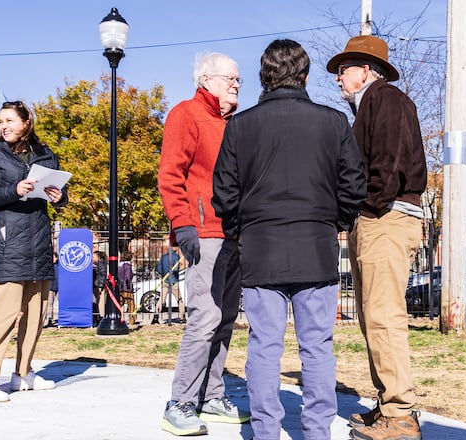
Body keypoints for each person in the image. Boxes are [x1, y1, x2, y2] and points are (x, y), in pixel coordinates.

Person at [213, 39, 366, 440]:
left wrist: (243, 230)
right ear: (306, 76)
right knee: (317, 347)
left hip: (260, 250)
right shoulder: (333, 122)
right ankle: (316, 431)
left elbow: (224, 194)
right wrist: (334, 221)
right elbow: (355, 185)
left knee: (264, 347)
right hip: (315, 248)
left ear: (264, 76)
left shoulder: (240, 126)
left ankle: (266, 431)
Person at [327, 35, 427, 440]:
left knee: (383, 316)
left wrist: (365, 207)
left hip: (386, 217)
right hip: (378, 216)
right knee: (373, 316)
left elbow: (389, 162)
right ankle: (389, 405)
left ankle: (400, 415)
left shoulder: (385, 99)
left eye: (343, 70)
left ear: (365, 70)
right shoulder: (373, 103)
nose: (338, 78)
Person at [157, 51, 247, 436]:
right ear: (206, 80)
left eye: (238, 79)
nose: (236, 84)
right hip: (203, 234)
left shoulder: (233, 124)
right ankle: (180, 402)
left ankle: (211, 396)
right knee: (205, 319)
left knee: (225, 319)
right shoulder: (186, 114)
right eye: (230, 78)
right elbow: (170, 175)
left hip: (233, 235)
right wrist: (183, 224)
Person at [0, 100, 68, 402]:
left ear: (26, 122)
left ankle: (23, 374)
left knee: (36, 312)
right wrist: (14, 189)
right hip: (9, 241)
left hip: (39, 241)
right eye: (1, 121)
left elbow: (61, 194)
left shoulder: (45, 154)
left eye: (9, 120)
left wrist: (59, 197)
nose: (3, 126)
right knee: (0, 313)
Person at [156, 247, 183, 322]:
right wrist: (179, 267)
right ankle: (182, 317)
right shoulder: (176, 257)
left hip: (165, 280)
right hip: (174, 281)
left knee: (161, 299)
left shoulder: (163, 257)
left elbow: (158, 268)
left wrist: (164, 274)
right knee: (179, 300)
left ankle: (156, 316)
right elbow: (176, 269)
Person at [117, 251, 135, 324]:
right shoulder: (128, 266)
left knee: (119, 304)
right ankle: (132, 320)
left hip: (119, 287)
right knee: (131, 305)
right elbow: (128, 277)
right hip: (127, 288)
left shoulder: (119, 266)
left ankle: (118, 318)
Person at [92, 250, 107, 325]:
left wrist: (100, 286)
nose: (92, 258)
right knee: (96, 302)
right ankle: (97, 318)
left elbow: (102, 275)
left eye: (93, 257)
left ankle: (100, 318)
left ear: (99, 257)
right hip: (96, 285)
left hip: (98, 286)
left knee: (99, 303)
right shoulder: (98, 264)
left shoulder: (101, 264)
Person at [45, 252, 58, 328]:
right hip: (50, 286)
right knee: (49, 303)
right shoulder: (48, 266)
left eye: (55, 257)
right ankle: (49, 319)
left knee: (60, 303)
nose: (54, 259)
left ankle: (60, 319)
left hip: (60, 286)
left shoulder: (60, 265)